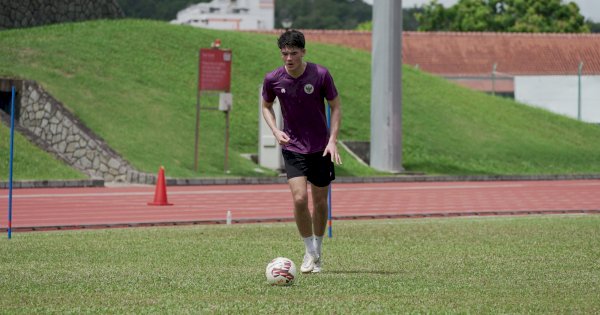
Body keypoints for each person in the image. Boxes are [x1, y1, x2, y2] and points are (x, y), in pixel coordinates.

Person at [261, 30, 342, 273]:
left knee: (319, 202)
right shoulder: (273, 79)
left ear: (303, 52)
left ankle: (318, 249)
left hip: (320, 148)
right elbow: (266, 106)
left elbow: (336, 106)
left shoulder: (320, 74)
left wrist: (333, 140)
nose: (288, 58)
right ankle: (309, 251)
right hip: (293, 147)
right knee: (299, 199)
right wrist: (275, 131)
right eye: (284, 54)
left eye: (293, 53)